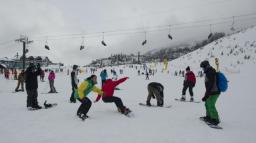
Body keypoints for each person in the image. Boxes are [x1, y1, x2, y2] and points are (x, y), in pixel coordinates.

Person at [200, 60, 221, 125]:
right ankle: (209, 116)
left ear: (206, 66)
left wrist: (206, 95)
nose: (202, 69)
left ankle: (215, 119)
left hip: (214, 92)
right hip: (211, 91)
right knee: (207, 103)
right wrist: (206, 94)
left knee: (211, 105)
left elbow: (211, 85)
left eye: (203, 67)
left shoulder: (210, 72)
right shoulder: (208, 72)